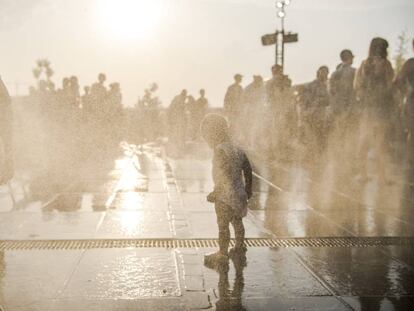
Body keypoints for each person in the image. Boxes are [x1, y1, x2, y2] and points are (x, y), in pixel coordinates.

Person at [201, 114, 252, 266]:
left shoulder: (220, 150)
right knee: (237, 222)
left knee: (222, 225)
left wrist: (216, 192)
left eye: (207, 135)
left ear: (213, 134)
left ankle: (222, 254)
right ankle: (239, 248)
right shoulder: (237, 148)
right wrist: (249, 188)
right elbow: (248, 169)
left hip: (224, 196)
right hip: (239, 193)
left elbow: (223, 173)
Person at [354, 37, 394, 182]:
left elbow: (357, 86)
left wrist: (364, 97)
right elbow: (391, 85)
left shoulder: (365, 64)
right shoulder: (386, 64)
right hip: (381, 108)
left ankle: (364, 174)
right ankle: (382, 176)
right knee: (381, 142)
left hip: (367, 108)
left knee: (364, 141)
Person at [394, 39, 414, 156]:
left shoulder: (410, 63)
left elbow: (397, 81)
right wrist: (408, 92)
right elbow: (397, 82)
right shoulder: (410, 63)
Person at [329, 49, 356, 116]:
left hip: (338, 106)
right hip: (351, 105)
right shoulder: (354, 72)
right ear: (350, 57)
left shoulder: (334, 73)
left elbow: (331, 91)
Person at [0, 77, 13, 184]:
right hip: (4, 113)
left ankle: (7, 172)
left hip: (3, 114)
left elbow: (6, 100)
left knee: (6, 143)